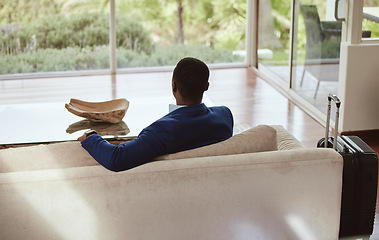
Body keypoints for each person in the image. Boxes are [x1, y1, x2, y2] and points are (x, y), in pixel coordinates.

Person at [78, 57, 234, 172]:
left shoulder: (162, 131)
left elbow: (116, 159)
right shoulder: (225, 116)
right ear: (206, 86)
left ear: (173, 86)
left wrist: (92, 137)